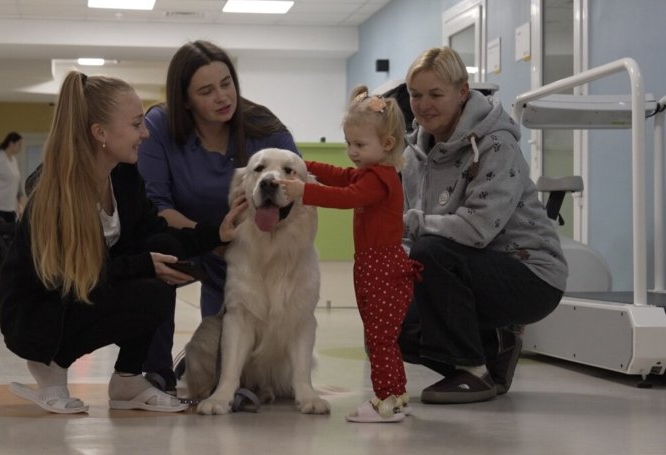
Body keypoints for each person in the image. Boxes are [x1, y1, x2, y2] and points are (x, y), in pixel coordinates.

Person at [0, 71, 247, 414]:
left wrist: (216, 233)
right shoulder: (54, 192)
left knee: (163, 257)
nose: (145, 133)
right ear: (100, 133)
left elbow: (155, 232)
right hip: (39, 311)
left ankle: (128, 379)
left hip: (87, 287)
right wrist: (144, 265)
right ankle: (49, 364)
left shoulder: (124, 176)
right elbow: (66, 276)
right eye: (136, 124)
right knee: (149, 270)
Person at [397, 47, 567, 404]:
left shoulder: (495, 143)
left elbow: (476, 230)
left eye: (435, 94)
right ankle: (493, 352)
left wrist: (410, 225)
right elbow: (410, 236)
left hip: (529, 273)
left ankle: (473, 372)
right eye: (415, 95)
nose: (423, 105)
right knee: (391, 326)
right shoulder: (413, 157)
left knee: (432, 249)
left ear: (462, 92)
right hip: (464, 271)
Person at [137, 40, 299, 392]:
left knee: (227, 352)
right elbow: (155, 208)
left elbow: (296, 195)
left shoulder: (265, 128)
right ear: (184, 100)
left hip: (247, 250)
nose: (223, 97)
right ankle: (155, 371)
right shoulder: (160, 126)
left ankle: (241, 370)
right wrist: (212, 238)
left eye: (227, 84)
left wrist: (240, 246)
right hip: (190, 241)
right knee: (154, 253)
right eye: (207, 91)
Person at [275, 85, 422, 423]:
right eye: (349, 144)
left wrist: (304, 190)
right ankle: (397, 396)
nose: (352, 152)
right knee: (383, 338)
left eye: (359, 145)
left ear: (386, 144)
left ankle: (385, 401)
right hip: (376, 266)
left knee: (379, 340)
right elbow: (341, 176)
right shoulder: (372, 171)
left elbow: (347, 196)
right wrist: (302, 164)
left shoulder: (380, 178)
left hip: (383, 269)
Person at [0, 131, 24, 223]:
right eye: (19, 144)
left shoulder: (13, 160)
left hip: (11, 206)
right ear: (11, 144)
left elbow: (16, 181)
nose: (21, 147)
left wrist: (19, 202)